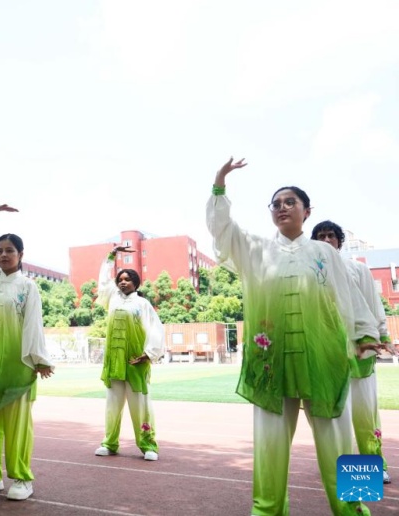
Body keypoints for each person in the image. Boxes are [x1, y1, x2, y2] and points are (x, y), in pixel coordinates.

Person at [207, 157, 380, 516]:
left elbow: (349, 298)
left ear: (307, 211)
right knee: (269, 443)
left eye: (290, 202)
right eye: (276, 204)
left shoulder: (324, 254)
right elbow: (222, 231)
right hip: (272, 363)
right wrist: (220, 183)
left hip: (325, 358)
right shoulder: (256, 251)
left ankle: (356, 507)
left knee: (343, 438)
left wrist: (367, 333)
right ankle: (267, 509)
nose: (282, 208)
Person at [0, 204, 54, 501]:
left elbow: (33, 325)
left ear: (21, 256)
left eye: (10, 250)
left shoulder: (27, 287)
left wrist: (38, 360)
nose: (4, 254)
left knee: (17, 427)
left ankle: (20, 478)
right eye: (0, 250)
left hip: (17, 366)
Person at [311, 220, 394, 484]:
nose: (326, 240)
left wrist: (383, 336)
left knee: (364, 412)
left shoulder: (358, 269)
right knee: (336, 416)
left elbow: (373, 304)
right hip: (328, 351)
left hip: (362, 350)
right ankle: (344, 471)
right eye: (320, 236)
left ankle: (373, 466)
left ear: (339, 241)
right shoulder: (310, 272)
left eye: (331, 236)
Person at [94, 246, 165, 461]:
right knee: (112, 406)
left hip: (136, 362)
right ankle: (110, 443)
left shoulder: (142, 304)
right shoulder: (112, 299)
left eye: (127, 279)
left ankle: (148, 445)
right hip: (114, 363)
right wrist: (111, 256)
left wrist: (148, 354)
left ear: (136, 282)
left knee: (140, 406)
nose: (123, 282)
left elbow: (155, 329)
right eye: (120, 279)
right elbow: (104, 281)